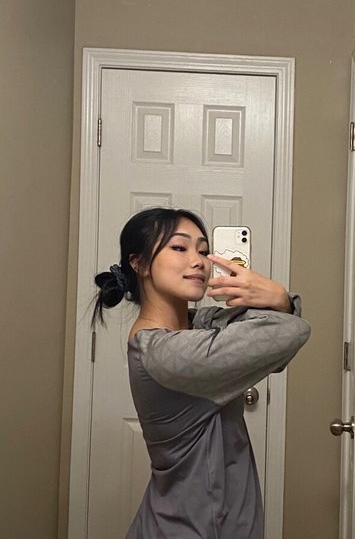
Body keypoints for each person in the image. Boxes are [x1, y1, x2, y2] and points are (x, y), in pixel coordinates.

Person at [92, 207, 311, 539]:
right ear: (140, 264)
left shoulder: (197, 326)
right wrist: (279, 298)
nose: (198, 261)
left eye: (204, 251)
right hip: (194, 529)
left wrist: (278, 304)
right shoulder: (168, 354)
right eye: (180, 247)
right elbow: (289, 333)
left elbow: (274, 351)